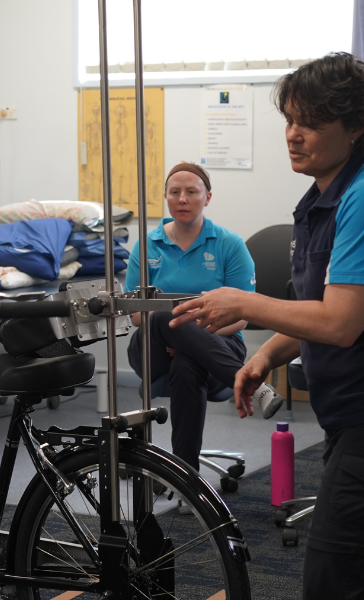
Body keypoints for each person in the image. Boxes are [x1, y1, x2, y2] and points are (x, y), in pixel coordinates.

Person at [170, 52, 364, 599]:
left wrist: (246, 303)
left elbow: (340, 322)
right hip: (355, 414)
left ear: (356, 127)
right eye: (290, 121)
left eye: (311, 122)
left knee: (332, 575)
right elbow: (312, 305)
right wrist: (266, 355)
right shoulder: (322, 199)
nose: (294, 135)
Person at [125, 162, 283, 474]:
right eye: (175, 192)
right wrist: (178, 331)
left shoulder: (229, 245)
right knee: (159, 316)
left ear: (207, 197)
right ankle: (253, 384)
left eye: (191, 192)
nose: (182, 199)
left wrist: (189, 339)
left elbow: (242, 316)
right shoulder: (147, 245)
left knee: (187, 364)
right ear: (167, 198)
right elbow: (134, 315)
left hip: (220, 345)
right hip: (153, 350)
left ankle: (187, 479)